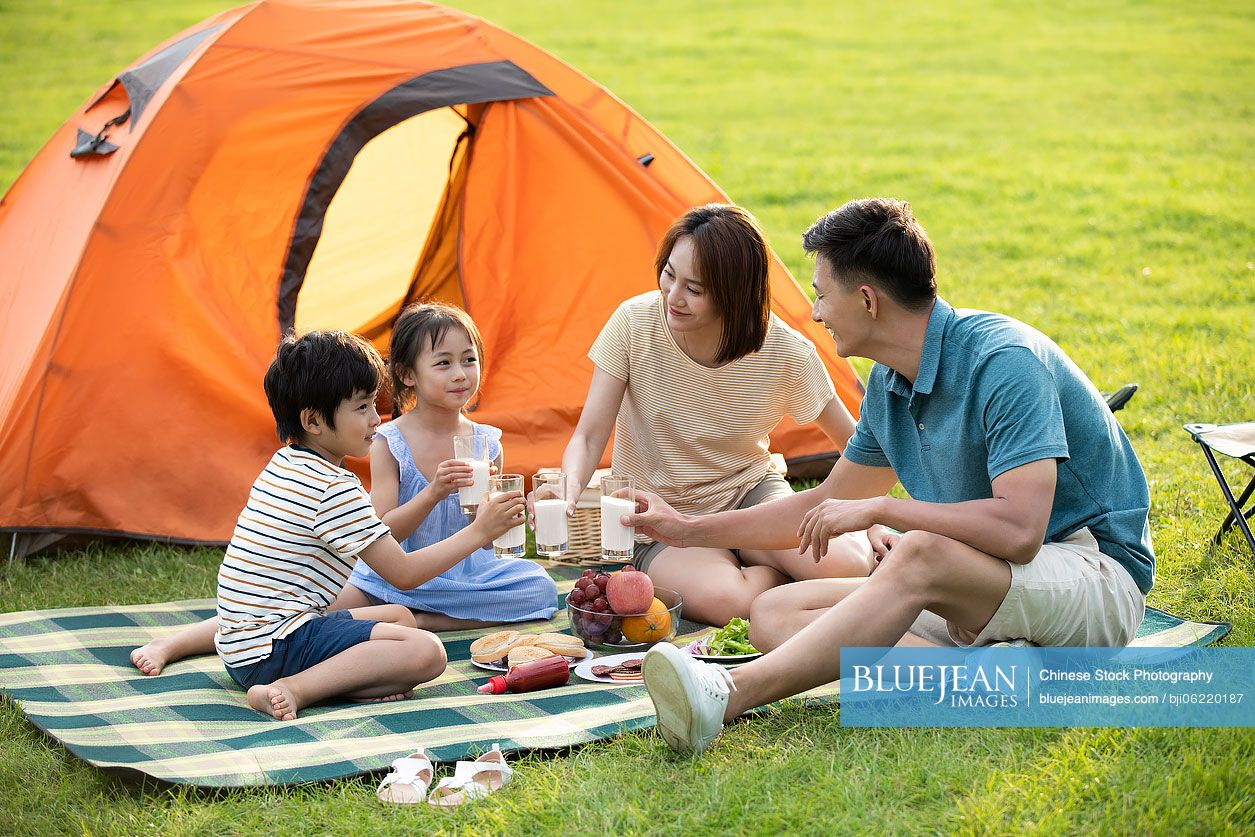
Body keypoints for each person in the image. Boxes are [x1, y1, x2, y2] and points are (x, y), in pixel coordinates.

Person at [628, 198, 1155, 755]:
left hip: (1092, 576)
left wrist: (884, 510)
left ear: (867, 300)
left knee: (918, 552)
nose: (814, 311)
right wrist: (687, 529)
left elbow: (1022, 532)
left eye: (820, 293)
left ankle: (730, 693)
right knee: (775, 612)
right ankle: (1002, 682)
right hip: (987, 585)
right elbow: (823, 505)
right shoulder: (890, 385)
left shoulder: (1004, 361)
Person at [130, 305, 556, 678]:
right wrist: (462, 517)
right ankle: (294, 688)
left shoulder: (283, 464)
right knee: (422, 649)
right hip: (289, 640)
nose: (375, 418)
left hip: (254, 639)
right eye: (362, 407)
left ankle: (369, 662)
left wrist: (506, 515)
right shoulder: (350, 476)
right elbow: (402, 570)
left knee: (410, 616)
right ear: (314, 421)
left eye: (469, 359)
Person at [553, 203, 873, 626]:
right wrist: (569, 487)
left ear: (735, 292)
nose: (673, 296)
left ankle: (765, 563)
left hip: (750, 498)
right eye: (669, 274)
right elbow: (589, 436)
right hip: (661, 516)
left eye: (694, 289)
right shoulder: (633, 323)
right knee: (729, 604)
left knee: (848, 565)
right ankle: (782, 578)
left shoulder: (784, 352)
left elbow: (856, 448)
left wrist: (871, 521)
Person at [339, 301, 557, 627]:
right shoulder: (389, 442)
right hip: (404, 572)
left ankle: (424, 621)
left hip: (467, 577)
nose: (460, 374)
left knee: (540, 589)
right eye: (443, 363)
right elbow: (384, 532)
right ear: (407, 374)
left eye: (469, 360)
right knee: (332, 605)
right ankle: (427, 615)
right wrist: (433, 493)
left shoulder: (487, 443)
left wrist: (519, 511)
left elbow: (487, 538)